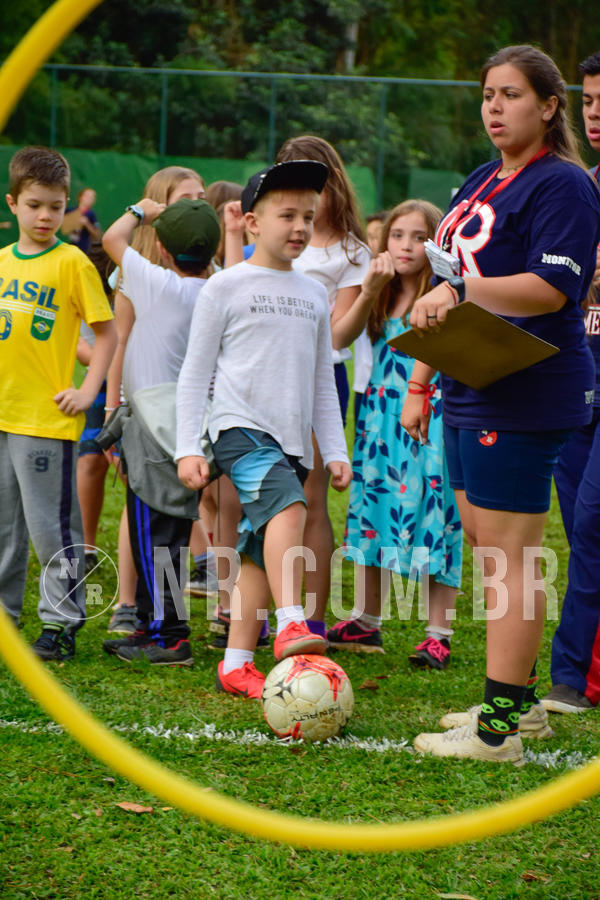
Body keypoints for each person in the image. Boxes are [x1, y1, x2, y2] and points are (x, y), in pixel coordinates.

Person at [401, 45, 600, 764]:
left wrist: (458, 292)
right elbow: (458, 268)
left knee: (510, 557)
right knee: (490, 549)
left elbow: (552, 290)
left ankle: (499, 736)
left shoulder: (564, 185)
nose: (493, 106)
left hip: (526, 388)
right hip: (471, 381)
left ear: (549, 106)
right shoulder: (485, 176)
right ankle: (517, 706)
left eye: (510, 94)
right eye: (487, 93)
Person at [176, 160, 352, 697]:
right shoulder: (225, 286)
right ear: (252, 223)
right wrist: (188, 448)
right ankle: (293, 620)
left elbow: (324, 380)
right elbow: (195, 373)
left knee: (256, 550)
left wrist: (336, 450)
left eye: (307, 216)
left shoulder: (314, 294)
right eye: (286, 215)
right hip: (239, 428)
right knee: (291, 509)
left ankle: (234, 663)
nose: (299, 226)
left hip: (293, 442)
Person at [328, 201, 462, 665]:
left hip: (430, 414)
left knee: (435, 515)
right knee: (374, 511)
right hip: (379, 415)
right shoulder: (382, 292)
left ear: (436, 243)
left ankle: (437, 632)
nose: (405, 246)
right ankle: (366, 622)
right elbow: (342, 338)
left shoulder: (445, 291)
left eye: (417, 236)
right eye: (396, 235)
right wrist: (371, 287)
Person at [0, 146, 115, 660]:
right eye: (34, 205)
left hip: (46, 420)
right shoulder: (1, 262)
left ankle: (61, 624)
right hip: (3, 415)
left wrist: (89, 391)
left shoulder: (72, 263)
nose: (45, 216)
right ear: (12, 204)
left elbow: (107, 335)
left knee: (51, 530)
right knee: (4, 528)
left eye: (55, 205)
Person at [101, 197, 221, 666]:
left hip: (153, 426)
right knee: (170, 531)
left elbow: (111, 239)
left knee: (154, 535)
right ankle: (157, 625)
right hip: (191, 427)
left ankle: (170, 636)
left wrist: (138, 211)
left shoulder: (156, 283)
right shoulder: (215, 288)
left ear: (165, 253)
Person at [275, 136, 372, 638]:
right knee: (264, 496)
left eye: (312, 178)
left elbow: (339, 333)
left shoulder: (352, 251)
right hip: (262, 377)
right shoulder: (271, 238)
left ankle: (309, 621)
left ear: (332, 182)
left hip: (318, 379)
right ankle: (253, 615)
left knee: (310, 499)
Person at [542, 50, 600, 714]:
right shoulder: (577, 187)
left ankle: (569, 677)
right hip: (576, 384)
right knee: (581, 532)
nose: (596, 113)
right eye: (588, 101)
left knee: (590, 526)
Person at [63, 187, 101, 254]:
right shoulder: (70, 211)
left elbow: (97, 235)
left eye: (92, 197)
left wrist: (87, 224)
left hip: (83, 249)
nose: (90, 199)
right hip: (70, 246)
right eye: (87, 196)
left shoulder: (91, 214)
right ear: (80, 197)